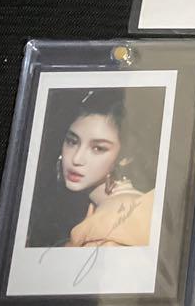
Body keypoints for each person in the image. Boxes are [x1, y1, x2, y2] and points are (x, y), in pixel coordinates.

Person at [53, 88, 157, 248]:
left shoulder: (109, 227)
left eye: (98, 148)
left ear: (125, 157)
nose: (76, 159)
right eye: (72, 142)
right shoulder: (110, 207)